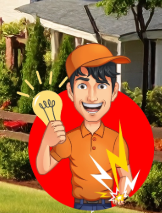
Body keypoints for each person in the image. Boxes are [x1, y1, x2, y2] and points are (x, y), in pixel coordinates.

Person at [35, 43, 135, 211]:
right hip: (79, 205)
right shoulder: (70, 139)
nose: (92, 96)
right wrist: (46, 142)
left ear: (114, 91)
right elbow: (43, 168)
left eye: (101, 86)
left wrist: (122, 194)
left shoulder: (116, 140)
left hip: (106, 205)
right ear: (71, 91)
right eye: (83, 86)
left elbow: (126, 176)